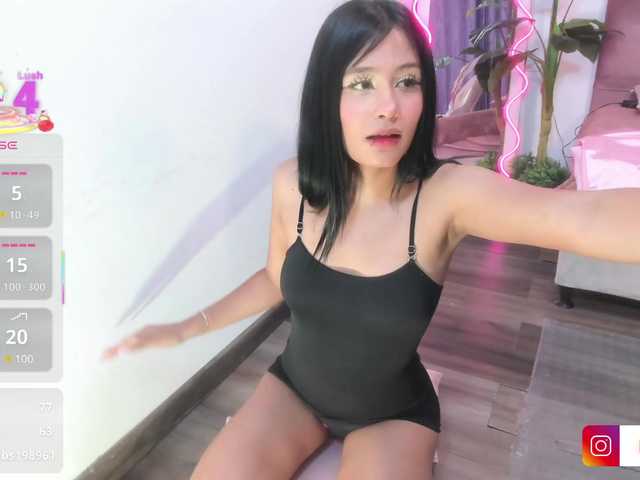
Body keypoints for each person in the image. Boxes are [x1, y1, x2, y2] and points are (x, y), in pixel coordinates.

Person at [101, 1, 640, 478]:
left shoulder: (447, 196)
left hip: (391, 413)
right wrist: (188, 327)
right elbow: (274, 278)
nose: (389, 107)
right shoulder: (293, 184)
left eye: (407, 81)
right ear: (326, 97)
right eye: (362, 83)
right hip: (293, 390)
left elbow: (582, 217)